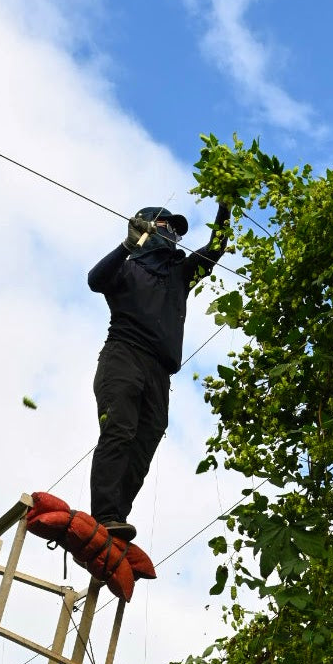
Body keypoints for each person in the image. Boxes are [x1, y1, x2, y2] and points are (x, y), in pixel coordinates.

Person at [87, 203, 231, 538]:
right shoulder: (127, 269)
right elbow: (95, 280)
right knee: (119, 429)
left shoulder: (179, 275)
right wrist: (127, 246)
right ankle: (104, 513)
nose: (176, 236)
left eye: (179, 232)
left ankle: (116, 518)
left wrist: (225, 206)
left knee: (145, 440)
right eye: (169, 227)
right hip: (123, 356)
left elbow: (216, 248)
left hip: (159, 372)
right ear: (148, 227)